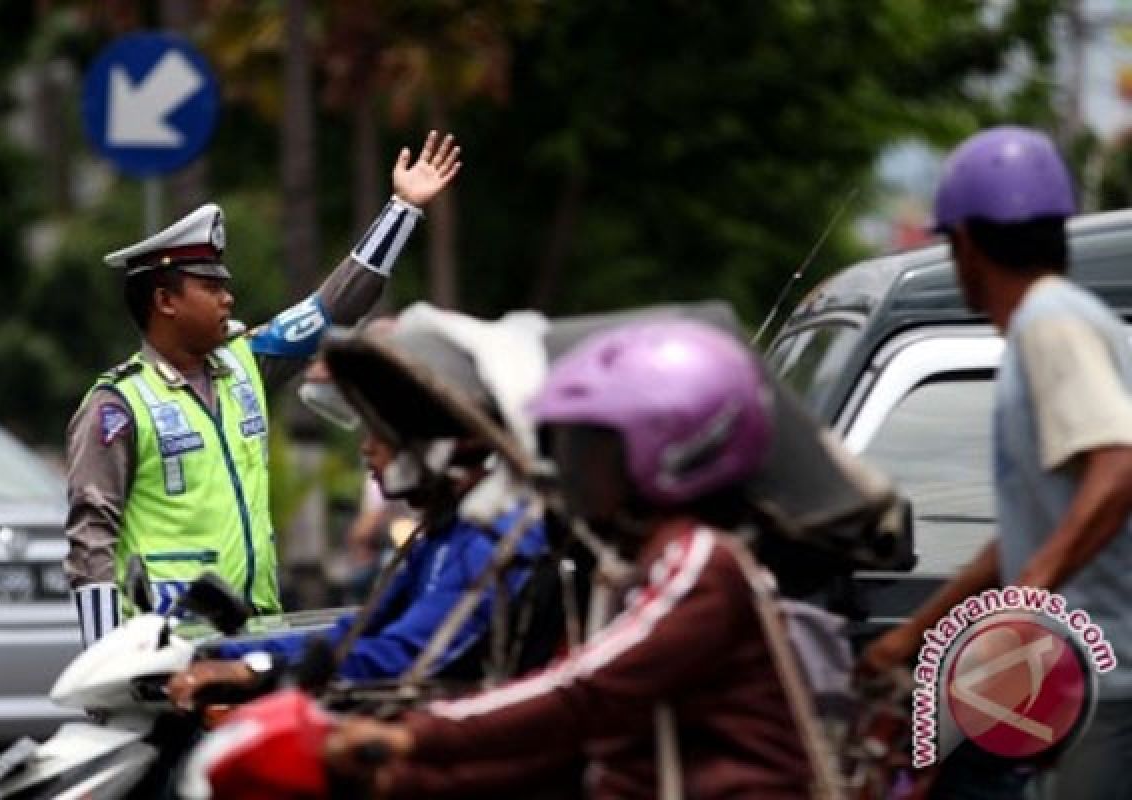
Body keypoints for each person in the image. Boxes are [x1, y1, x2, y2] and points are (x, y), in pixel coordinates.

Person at [322, 319, 817, 799]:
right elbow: (579, 753)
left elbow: (581, 696)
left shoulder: (702, 565)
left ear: (679, 449)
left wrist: (416, 736)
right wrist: (409, 782)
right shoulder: (623, 568)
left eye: (594, 452)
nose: (576, 471)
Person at [64, 131, 462, 646]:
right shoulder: (117, 405)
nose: (228, 299)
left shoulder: (247, 364)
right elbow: (91, 538)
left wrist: (402, 210)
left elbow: (332, 308)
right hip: (163, 646)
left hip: (253, 632)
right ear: (165, 300)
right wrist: (106, 663)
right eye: (211, 288)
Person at [861, 125, 1132, 799]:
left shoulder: (1051, 324)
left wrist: (1033, 586)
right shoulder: (1061, 325)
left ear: (967, 244)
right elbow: (1021, 539)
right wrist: (912, 639)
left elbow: (1121, 463)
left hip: (1109, 681)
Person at [165, 310, 549, 706]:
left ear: (437, 439)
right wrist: (210, 653)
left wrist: (256, 670)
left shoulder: (493, 538)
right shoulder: (444, 533)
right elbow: (357, 631)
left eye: (382, 432)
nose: (367, 447)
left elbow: (403, 657)